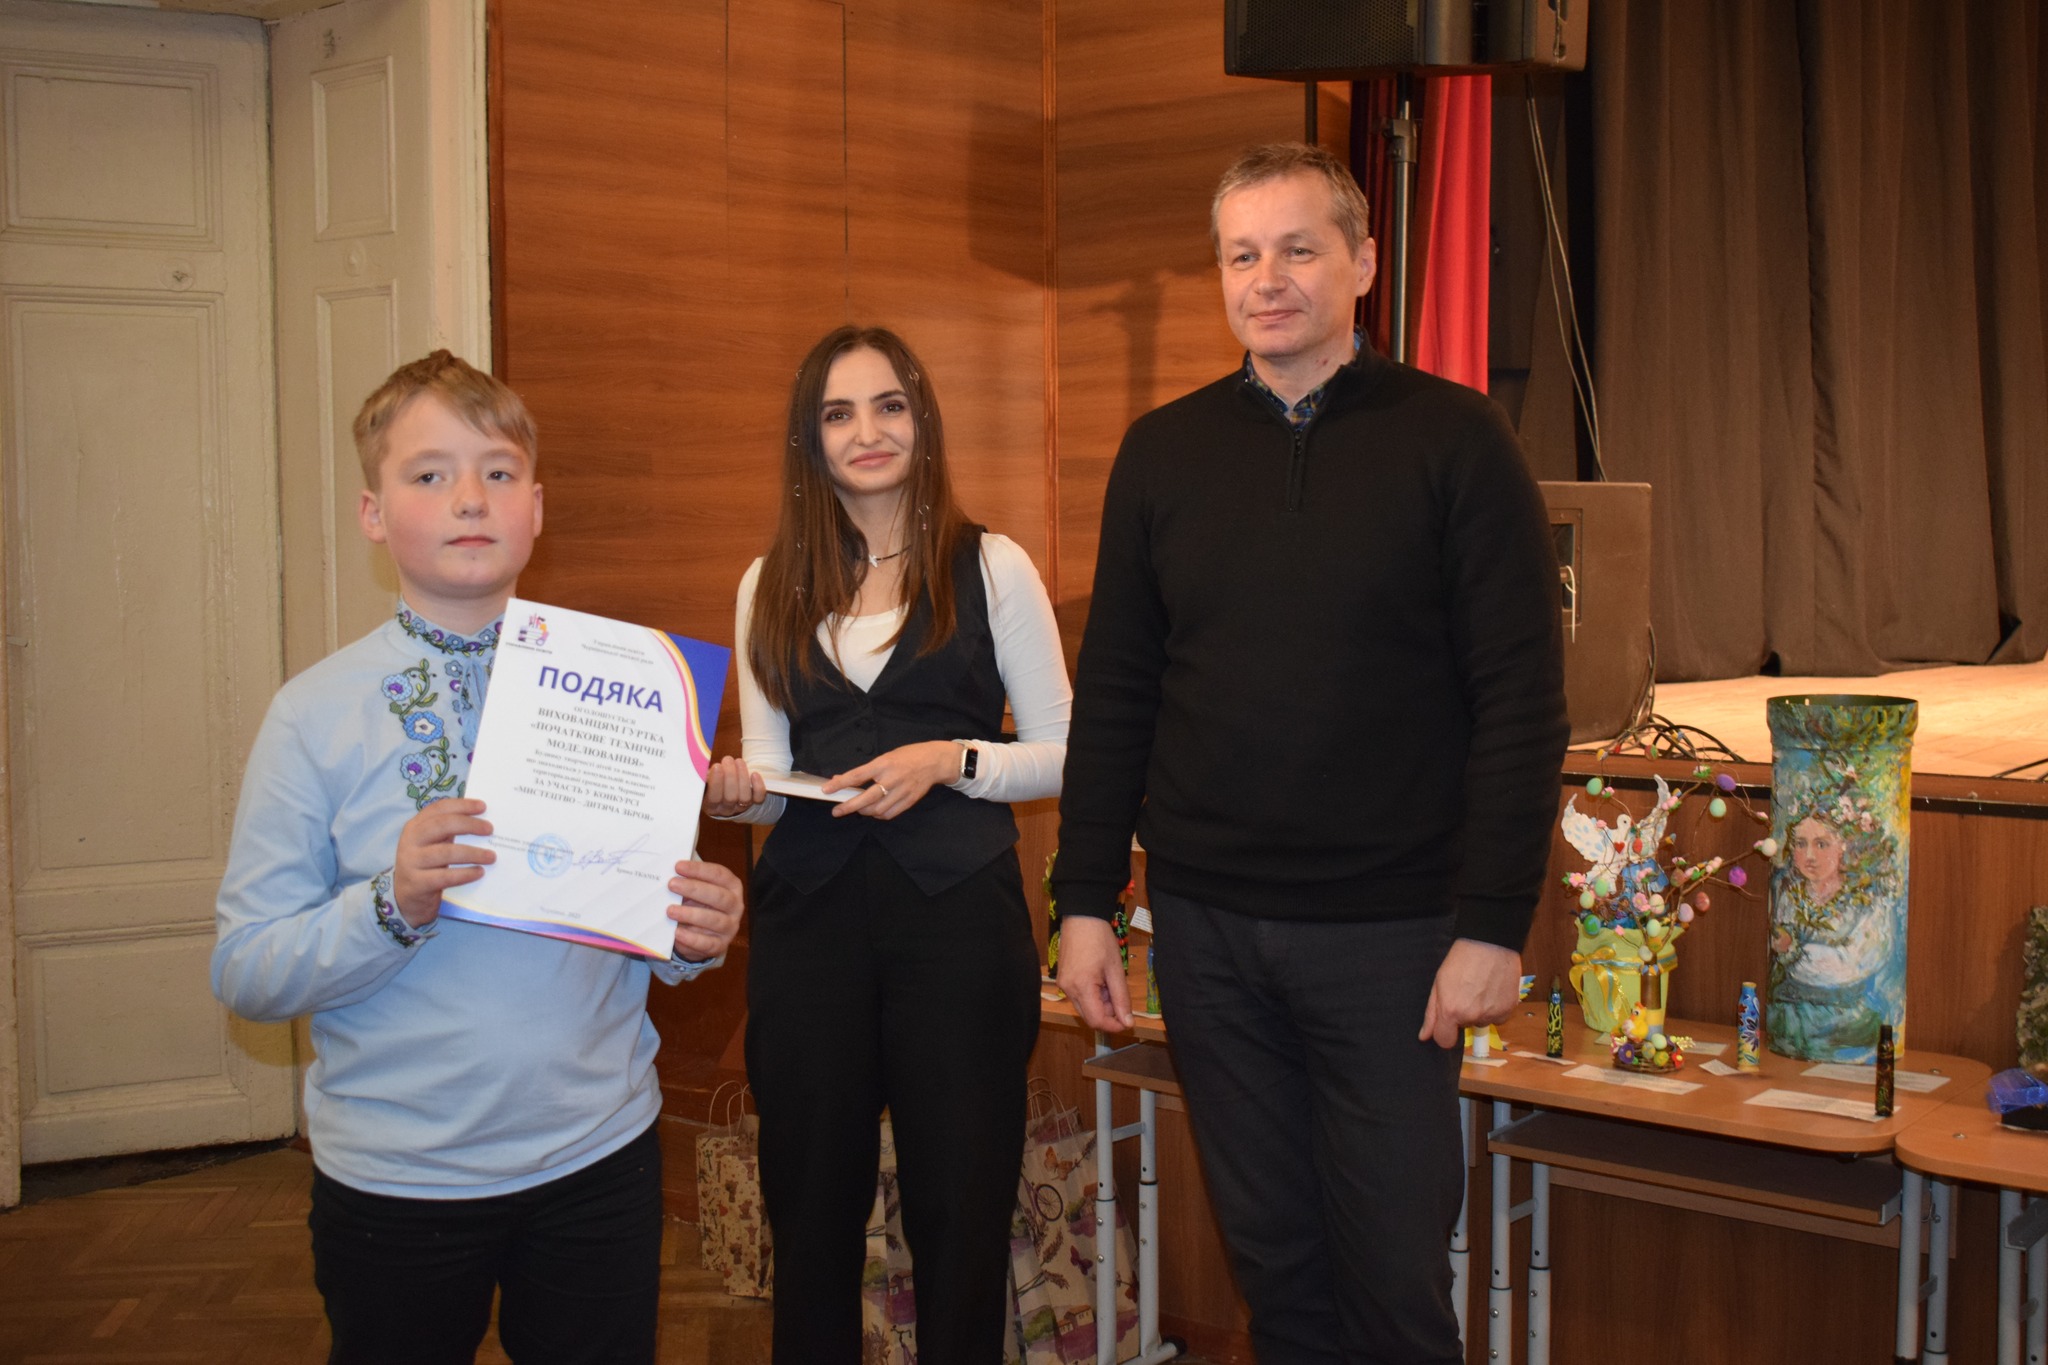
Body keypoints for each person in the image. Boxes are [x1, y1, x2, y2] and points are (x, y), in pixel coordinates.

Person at [1052, 143, 1568, 1364]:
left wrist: (1493, 924)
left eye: (1296, 249)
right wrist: (1083, 901)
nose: (1266, 278)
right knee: (1276, 1276)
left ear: (1363, 263)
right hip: (1207, 936)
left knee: (1392, 1285)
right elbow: (1116, 694)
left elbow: (1519, 699)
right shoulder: (1160, 452)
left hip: (1390, 940)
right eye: (1241, 255)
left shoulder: (1456, 440)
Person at [212, 350, 747, 1365]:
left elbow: (641, 917)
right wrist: (391, 903)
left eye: (498, 472)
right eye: (429, 474)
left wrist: (694, 934)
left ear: (535, 507)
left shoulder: (626, 685)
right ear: (373, 514)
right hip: (398, 1181)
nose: (469, 498)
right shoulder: (312, 714)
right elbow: (246, 968)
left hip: (599, 1158)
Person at [703, 324, 1070, 1362]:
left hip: (958, 931)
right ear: (808, 439)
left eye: (888, 405)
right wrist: (738, 797)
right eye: (837, 413)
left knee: (961, 1216)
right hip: (808, 932)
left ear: (922, 419)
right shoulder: (766, 581)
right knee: (809, 1216)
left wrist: (951, 758)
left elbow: (1064, 751)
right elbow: (773, 774)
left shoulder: (992, 565)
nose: (866, 431)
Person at [1768, 803, 1902, 1060]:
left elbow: (1852, 964)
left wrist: (1794, 950)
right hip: (1790, 1013)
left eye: (1821, 844)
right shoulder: (1787, 894)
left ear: (1844, 846)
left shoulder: (1864, 902)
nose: (1809, 855)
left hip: (1846, 1018)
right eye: (1800, 844)